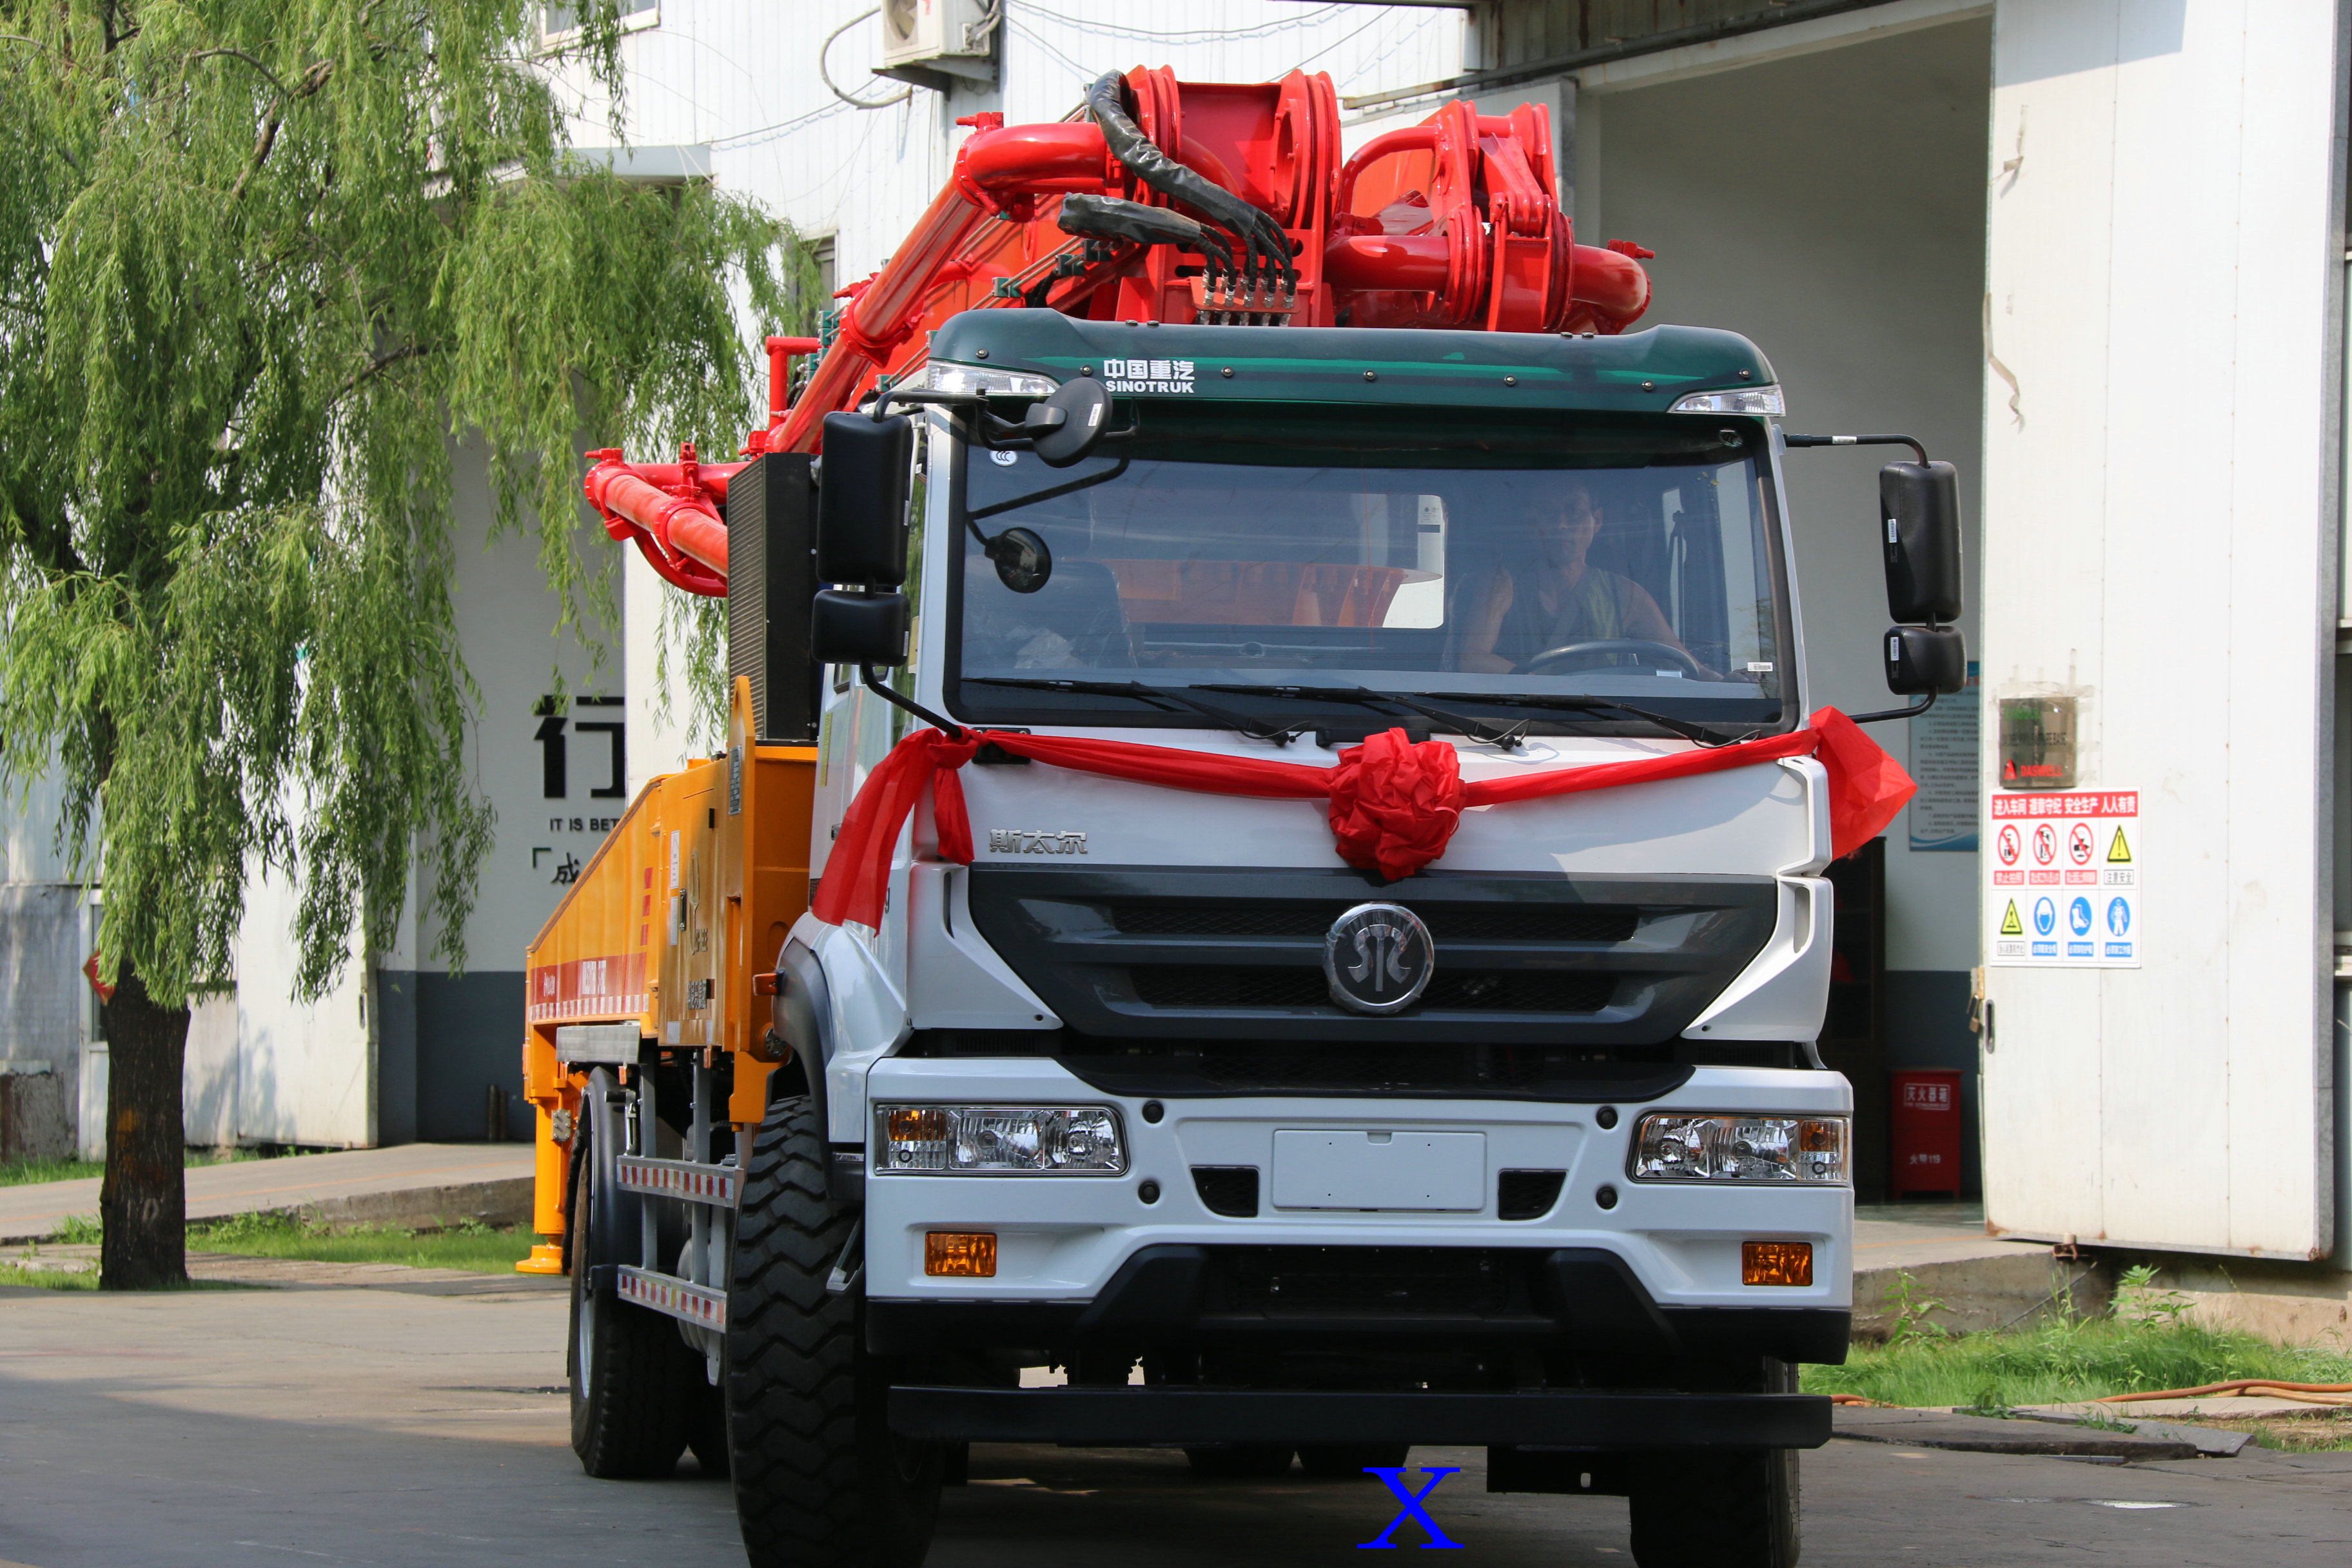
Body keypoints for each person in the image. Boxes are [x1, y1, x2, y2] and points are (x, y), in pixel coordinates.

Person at [1457, 478, 1692, 674]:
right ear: (1532, 523)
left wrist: (1720, 680)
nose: (1561, 525)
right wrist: (1549, 691)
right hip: (1512, 717)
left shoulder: (1623, 594)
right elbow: (1472, 658)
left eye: (1574, 512)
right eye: (1548, 514)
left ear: (1597, 520)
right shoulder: (1502, 583)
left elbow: (1685, 663)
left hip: (1603, 723)